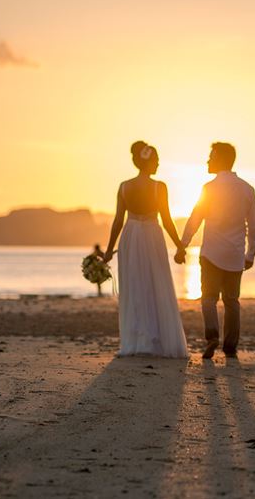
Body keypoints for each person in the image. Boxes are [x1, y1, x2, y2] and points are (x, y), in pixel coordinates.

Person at [101, 141, 189, 358]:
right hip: (151, 236)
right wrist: (179, 245)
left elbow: (117, 222)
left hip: (130, 236)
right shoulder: (160, 187)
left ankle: (138, 339)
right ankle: (154, 338)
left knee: (135, 286)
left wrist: (108, 251)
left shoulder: (124, 186)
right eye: (157, 160)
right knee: (155, 283)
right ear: (149, 162)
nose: (159, 164)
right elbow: (167, 220)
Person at [176, 142, 255, 359]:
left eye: (211, 156)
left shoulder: (209, 189)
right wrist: (251, 254)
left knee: (208, 298)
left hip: (211, 253)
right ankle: (230, 347)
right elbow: (254, 227)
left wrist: (182, 246)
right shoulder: (247, 189)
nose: (207, 160)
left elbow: (194, 220)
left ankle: (212, 336)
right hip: (235, 254)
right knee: (232, 301)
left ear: (221, 158)